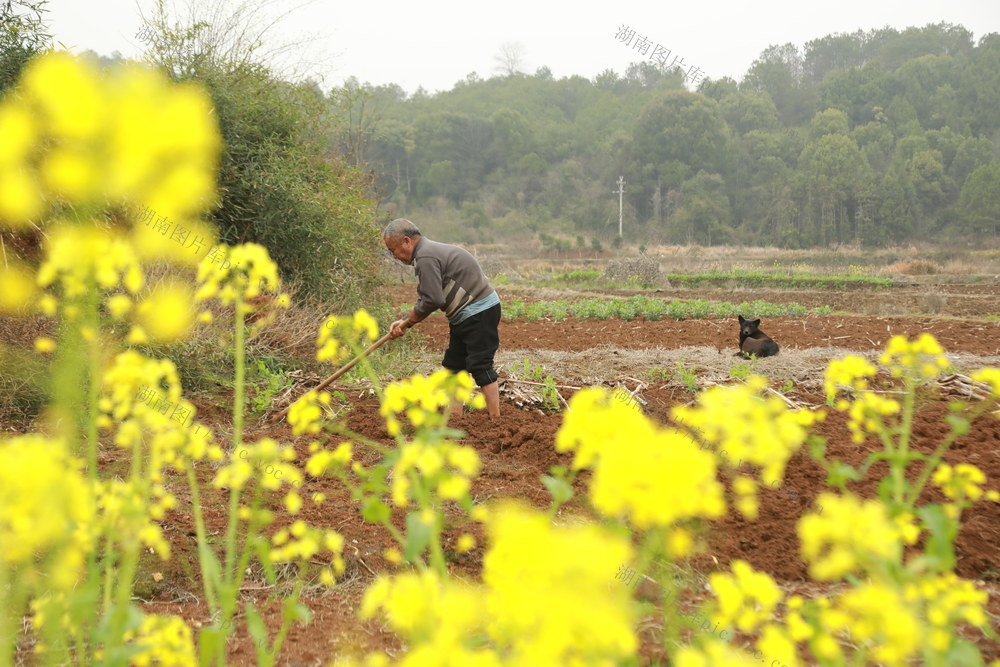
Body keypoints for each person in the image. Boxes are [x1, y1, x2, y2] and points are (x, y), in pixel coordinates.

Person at [383, 219, 501, 417]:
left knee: (481, 365)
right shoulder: (427, 253)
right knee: (455, 366)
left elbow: (433, 299)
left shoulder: (425, 257)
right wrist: (405, 320)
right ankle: (455, 417)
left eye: (392, 250)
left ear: (406, 241)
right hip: (464, 314)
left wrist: (408, 322)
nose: (394, 256)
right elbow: (430, 296)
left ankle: (496, 420)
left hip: (478, 311)